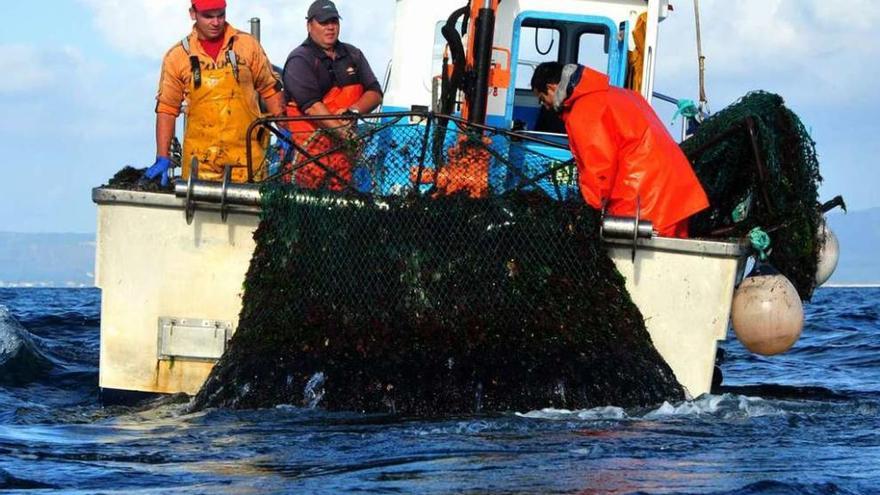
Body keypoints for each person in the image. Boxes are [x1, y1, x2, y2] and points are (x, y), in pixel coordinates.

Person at [531, 62, 709, 238]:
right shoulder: (622, 94)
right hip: (676, 196)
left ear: (551, 87)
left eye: (542, 99)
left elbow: (599, 169)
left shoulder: (584, 109)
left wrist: (590, 212)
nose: (544, 106)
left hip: (647, 205)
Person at [143, 0, 284, 186]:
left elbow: (270, 89)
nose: (216, 22)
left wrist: (285, 132)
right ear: (193, 14)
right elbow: (167, 109)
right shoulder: (177, 57)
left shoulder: (247, 45)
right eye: (208, 16)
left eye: (220, 15)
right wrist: (162, 157)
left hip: (249, 162)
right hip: (199, 167)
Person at [281, 0, 383, 190]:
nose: (330, 28)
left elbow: (375, 92)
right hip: (306, 162)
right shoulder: (300, 59)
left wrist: (353, 111)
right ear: (309, 25)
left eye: (334, 22)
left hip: (344, 163)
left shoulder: (353, 55)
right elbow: (312, 106)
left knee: (343, 208)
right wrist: (345, 134)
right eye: (324, 22)